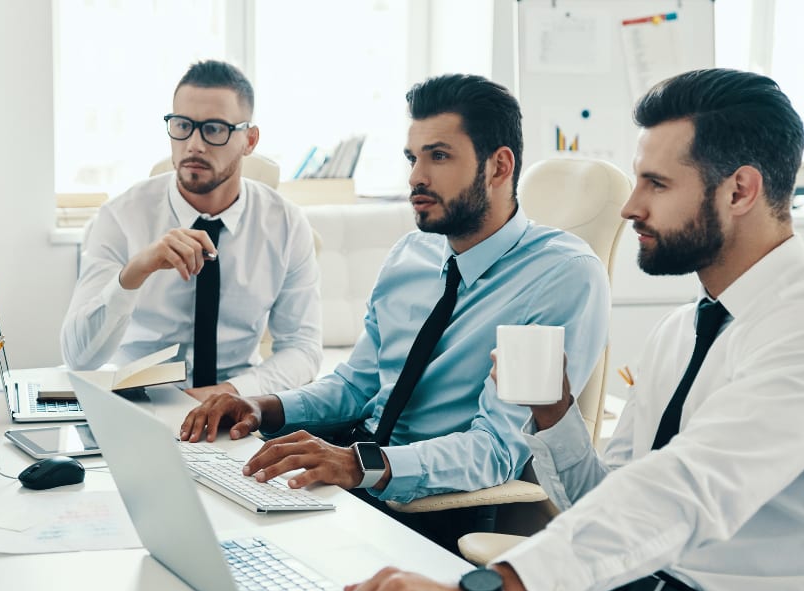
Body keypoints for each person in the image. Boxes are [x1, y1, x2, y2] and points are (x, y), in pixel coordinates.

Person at [343, 69, 804, 591]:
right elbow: (607, 497)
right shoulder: (681, 332)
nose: (630, 206)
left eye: (656, 183)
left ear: (740, 190)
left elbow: (689, 488)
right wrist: (556, 416)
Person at [180, 74, 609, 512]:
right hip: (351, 471)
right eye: (412, 158)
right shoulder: (412, 254)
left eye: (439, 156)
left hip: (427, 505)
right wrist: (260, 406)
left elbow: (496, 449)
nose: (417, 177)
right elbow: (357, 385)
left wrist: (359, 465)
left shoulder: (561, 276)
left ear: (499, 166)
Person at [60, 60, 321, 402]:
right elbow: (79, 358)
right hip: (137, 406)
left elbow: (303, 350)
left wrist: (230, 394)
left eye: (214, 129)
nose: (194, 144)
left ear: (250, 140)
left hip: (236, 409)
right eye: (182, 125)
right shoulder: (121, 217)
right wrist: (136, 271)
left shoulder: (286, 225)